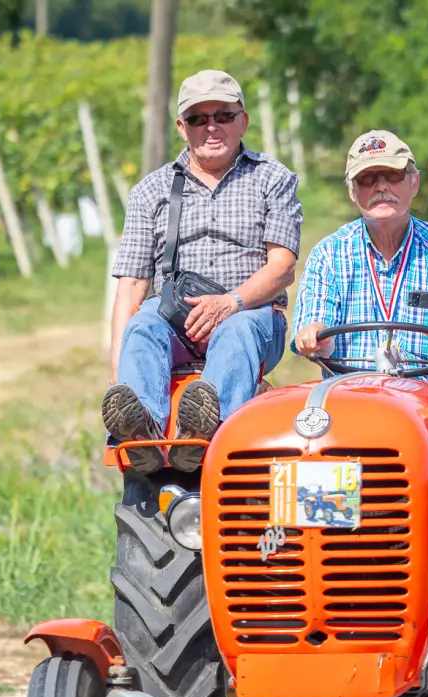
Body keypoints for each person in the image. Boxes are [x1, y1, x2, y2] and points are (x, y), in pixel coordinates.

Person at [291, 129, 428, 582]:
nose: (380, 187)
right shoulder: (330, 254)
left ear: (414, 182)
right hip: (351, 405)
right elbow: (313, 325)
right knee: (302, 459)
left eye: (391, 175)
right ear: (353, 191)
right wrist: (313, 336)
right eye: (367, 179)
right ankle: (324, 571)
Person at [104, 69, 303, 474]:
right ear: (182, 128)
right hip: (174, 317)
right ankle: (139, 433)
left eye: (224, 116)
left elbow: (282, 268)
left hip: (250, 315)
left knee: (237, 329)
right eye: (198, 118)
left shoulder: (273, 178)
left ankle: (204, 432)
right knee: (142, 324)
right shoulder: (150, 191)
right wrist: (117, 373)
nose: (212, 127)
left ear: (243, 121)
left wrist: (230, 303)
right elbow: (132, 284)